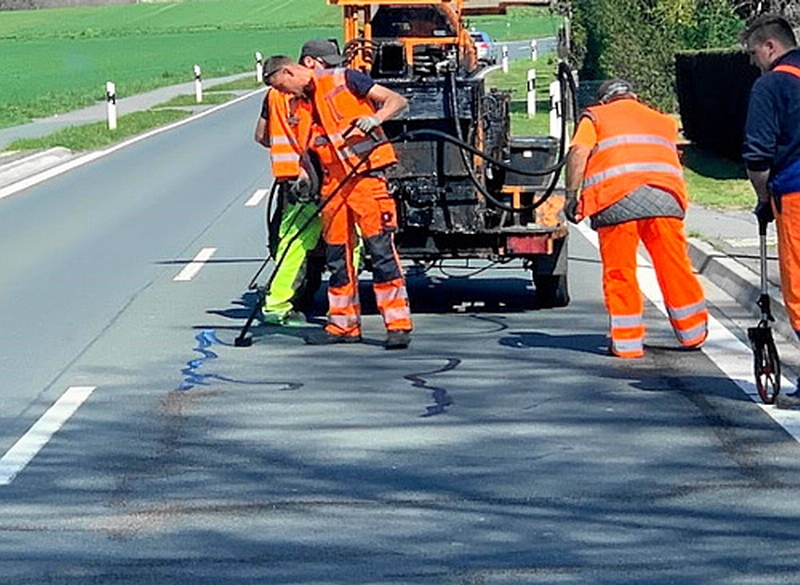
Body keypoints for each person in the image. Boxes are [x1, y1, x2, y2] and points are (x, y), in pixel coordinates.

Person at [263, 54, 413, 349]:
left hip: (366, 179)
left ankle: (398, 325)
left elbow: (397, 100)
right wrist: (304, 177)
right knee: (337, 258)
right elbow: (309, 150)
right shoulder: (301, 107)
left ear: (290, 71)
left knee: (381, 252)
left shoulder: (344, 79)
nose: (283, 94)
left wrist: (376, 119)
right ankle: (343, 325)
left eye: (282, 87)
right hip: (332, 186)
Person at [564, 78, 708, 358]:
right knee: (674, 265)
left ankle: (627, 343)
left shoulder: (596, 116)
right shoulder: (662, 120)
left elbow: (579, 152)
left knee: (620, 271)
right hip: (664, 199)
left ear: (605, 99)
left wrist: (572, 195)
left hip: (616, 200)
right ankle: (693, 333)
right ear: (633, 96)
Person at [253, 40, 347, 326]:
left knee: (293, 243)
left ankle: (278, 304)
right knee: (346, 242)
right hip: (321, 179)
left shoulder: (272, 97)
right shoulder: (314, 91)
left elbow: (261, 136)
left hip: (293, 181)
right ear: (305, 64)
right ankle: (343, 309)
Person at [741, 14, 800, 408]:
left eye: (753, 54)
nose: (753, 63)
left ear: (770, 47)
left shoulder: (772, 85)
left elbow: (757, 156)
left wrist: (764, 200)